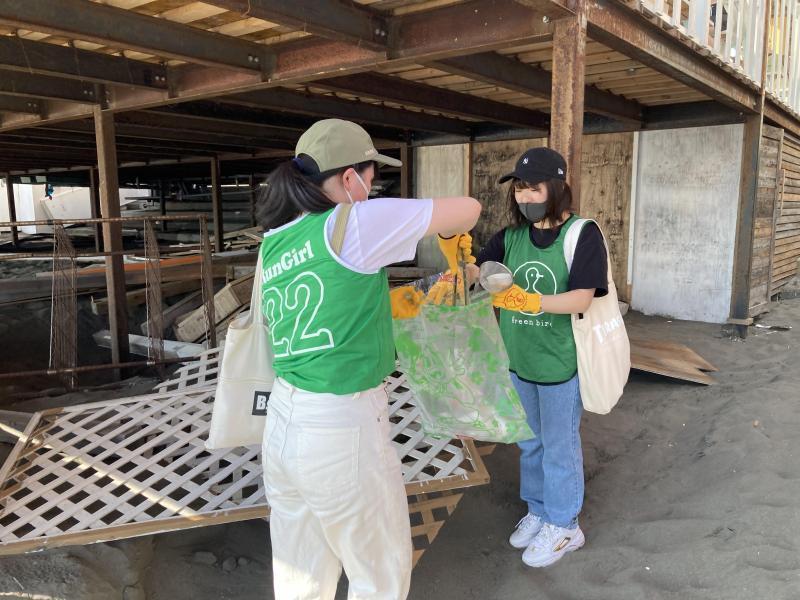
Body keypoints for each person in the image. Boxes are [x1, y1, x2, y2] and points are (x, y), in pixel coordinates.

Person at [256, 118, 481, 599]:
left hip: (283, 422)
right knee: (378, 574)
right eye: (369, 173)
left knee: (302, 574)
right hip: (340, 427)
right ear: (347, 178)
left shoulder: (274, 240)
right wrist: (451, 237)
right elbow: (469, 209)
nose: (373, 184)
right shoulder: (353, 221)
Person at [474, 147, 608, 568]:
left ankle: (565, 524)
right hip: (518, 362)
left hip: (559, 365)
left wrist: (529, 301)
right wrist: (456, 262)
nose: (524, 197)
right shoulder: (509, 238)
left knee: (558, 446)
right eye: (518, 189)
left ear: (556, 188)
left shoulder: (582, 234)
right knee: (529, 444)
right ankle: (538, 509)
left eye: (533, 188)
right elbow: (480, 272)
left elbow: (583, 296)